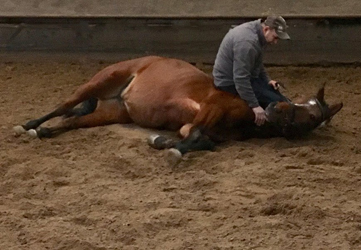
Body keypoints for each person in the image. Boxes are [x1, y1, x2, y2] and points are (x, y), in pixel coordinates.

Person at [213, 15, 291, 126]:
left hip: (245, 77)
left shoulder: (258, 32)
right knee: (276, 102)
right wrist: (254, 105)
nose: (275, 42)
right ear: (266, 29)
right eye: (275, 37)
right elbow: (240, 78)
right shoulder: (248, 44)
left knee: (276, 95)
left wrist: (267, 80)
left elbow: (257, 63)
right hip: (229, 83)